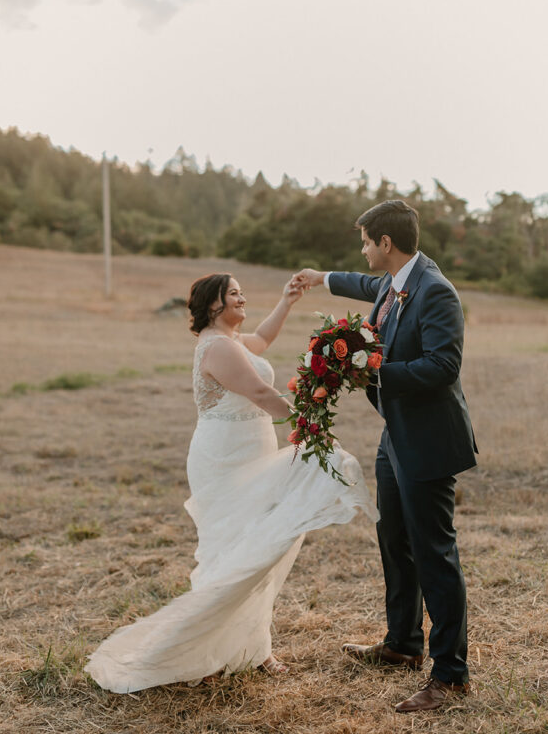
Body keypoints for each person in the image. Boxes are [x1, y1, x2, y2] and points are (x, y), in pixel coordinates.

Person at [85, 272, 374, 693]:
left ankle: (254, 648)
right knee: (232, 549)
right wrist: (309, 422)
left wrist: (287, 302)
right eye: (234, 293)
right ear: (214, 305)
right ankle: (204, 650)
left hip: (251, 452)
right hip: (224, 458)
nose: (242, 298)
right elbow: (258, 391)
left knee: (258, 544)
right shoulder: (216, 347)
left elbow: (261, 340)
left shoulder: (233, 342)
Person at [294, 199, 477, 714]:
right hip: (395, 436)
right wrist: (320, 276)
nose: (363, 250)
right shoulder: (394, 283)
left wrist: (368, 370)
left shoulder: (435, 290)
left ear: (386, 244)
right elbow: (362, 282)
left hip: (429, 440)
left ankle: (450, 675)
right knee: (393, 537)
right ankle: (401, 645)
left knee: (434, 554)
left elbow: (443, 365)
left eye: (366, 242)